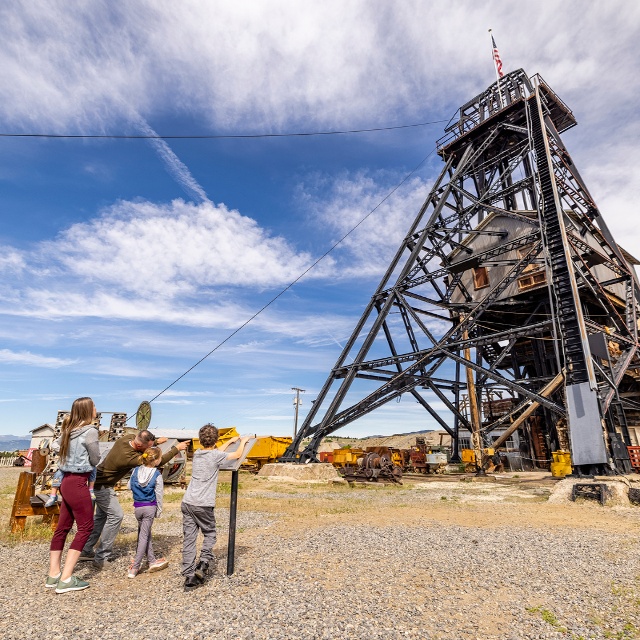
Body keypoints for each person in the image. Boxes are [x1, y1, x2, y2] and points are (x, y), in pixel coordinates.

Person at [80, 429, 189, 567]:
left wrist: (155, 442)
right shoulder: (128, 457)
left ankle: (86, 550)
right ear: (139, 447)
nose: (150, 449)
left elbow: (144, 445)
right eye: (148, 447)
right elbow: (154, 462)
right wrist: (176, 449)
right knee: (116, 516)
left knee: (101, 517)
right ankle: (101, 557)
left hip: (98, 483)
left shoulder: (128, 438)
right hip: (102, 486)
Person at [182, 425, 251, 591]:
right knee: (210, 533)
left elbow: (216, 451)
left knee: (189, 538)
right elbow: (237, 454)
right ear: (216, 439)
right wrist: (243, 442)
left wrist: (229, 441)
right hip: (203, 504)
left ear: (200, 439)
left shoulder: (198, 454)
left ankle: (189, 576)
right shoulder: (215, 456)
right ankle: (204, 563)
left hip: (187, 502)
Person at [45, 397, 101, 594]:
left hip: (65, 481)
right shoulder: (91, 431)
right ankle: (67, 578)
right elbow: (95, 458)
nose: (96, 409)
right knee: (86, 527)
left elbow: (54, 446)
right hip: (78, 482)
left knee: (63, 527)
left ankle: (54, 574)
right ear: (87, 410)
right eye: (94, 406)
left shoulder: (69, 431)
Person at [126, 446, 168, 578]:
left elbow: (128, 486)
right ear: (156, 461)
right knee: (143, 536)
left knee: (145, 533)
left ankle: (152, 560)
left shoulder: (135, 471)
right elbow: (159, 494)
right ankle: (135, 567)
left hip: (137, 507)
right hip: (150, 507)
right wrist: (159, 510)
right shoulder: (157, 474)